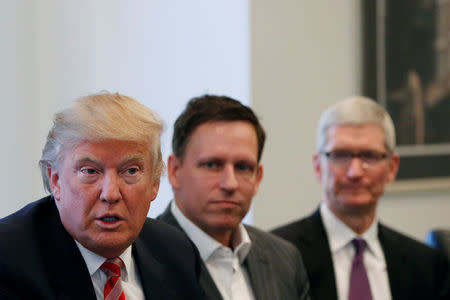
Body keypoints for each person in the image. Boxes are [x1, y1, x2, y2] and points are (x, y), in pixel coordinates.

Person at [0, 92, 204, 299]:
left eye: (131, 171)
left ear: (154, 183)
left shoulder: (177, 252)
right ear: (55, 181)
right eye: (90, 171)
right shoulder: (7, 258)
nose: (110, 194)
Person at [272, 96, 450, 300]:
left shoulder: (426, 265)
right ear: (318, 166)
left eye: (370, 156)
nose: (355, 172)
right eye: (340, 155)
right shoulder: (279, 257)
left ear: (392, 168)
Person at [157, 95, 310, 300]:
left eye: (243, 167)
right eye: (212, 165)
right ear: (175, 171)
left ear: (258, 178)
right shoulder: (141, 258)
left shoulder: (284, 258)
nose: (230, 183)